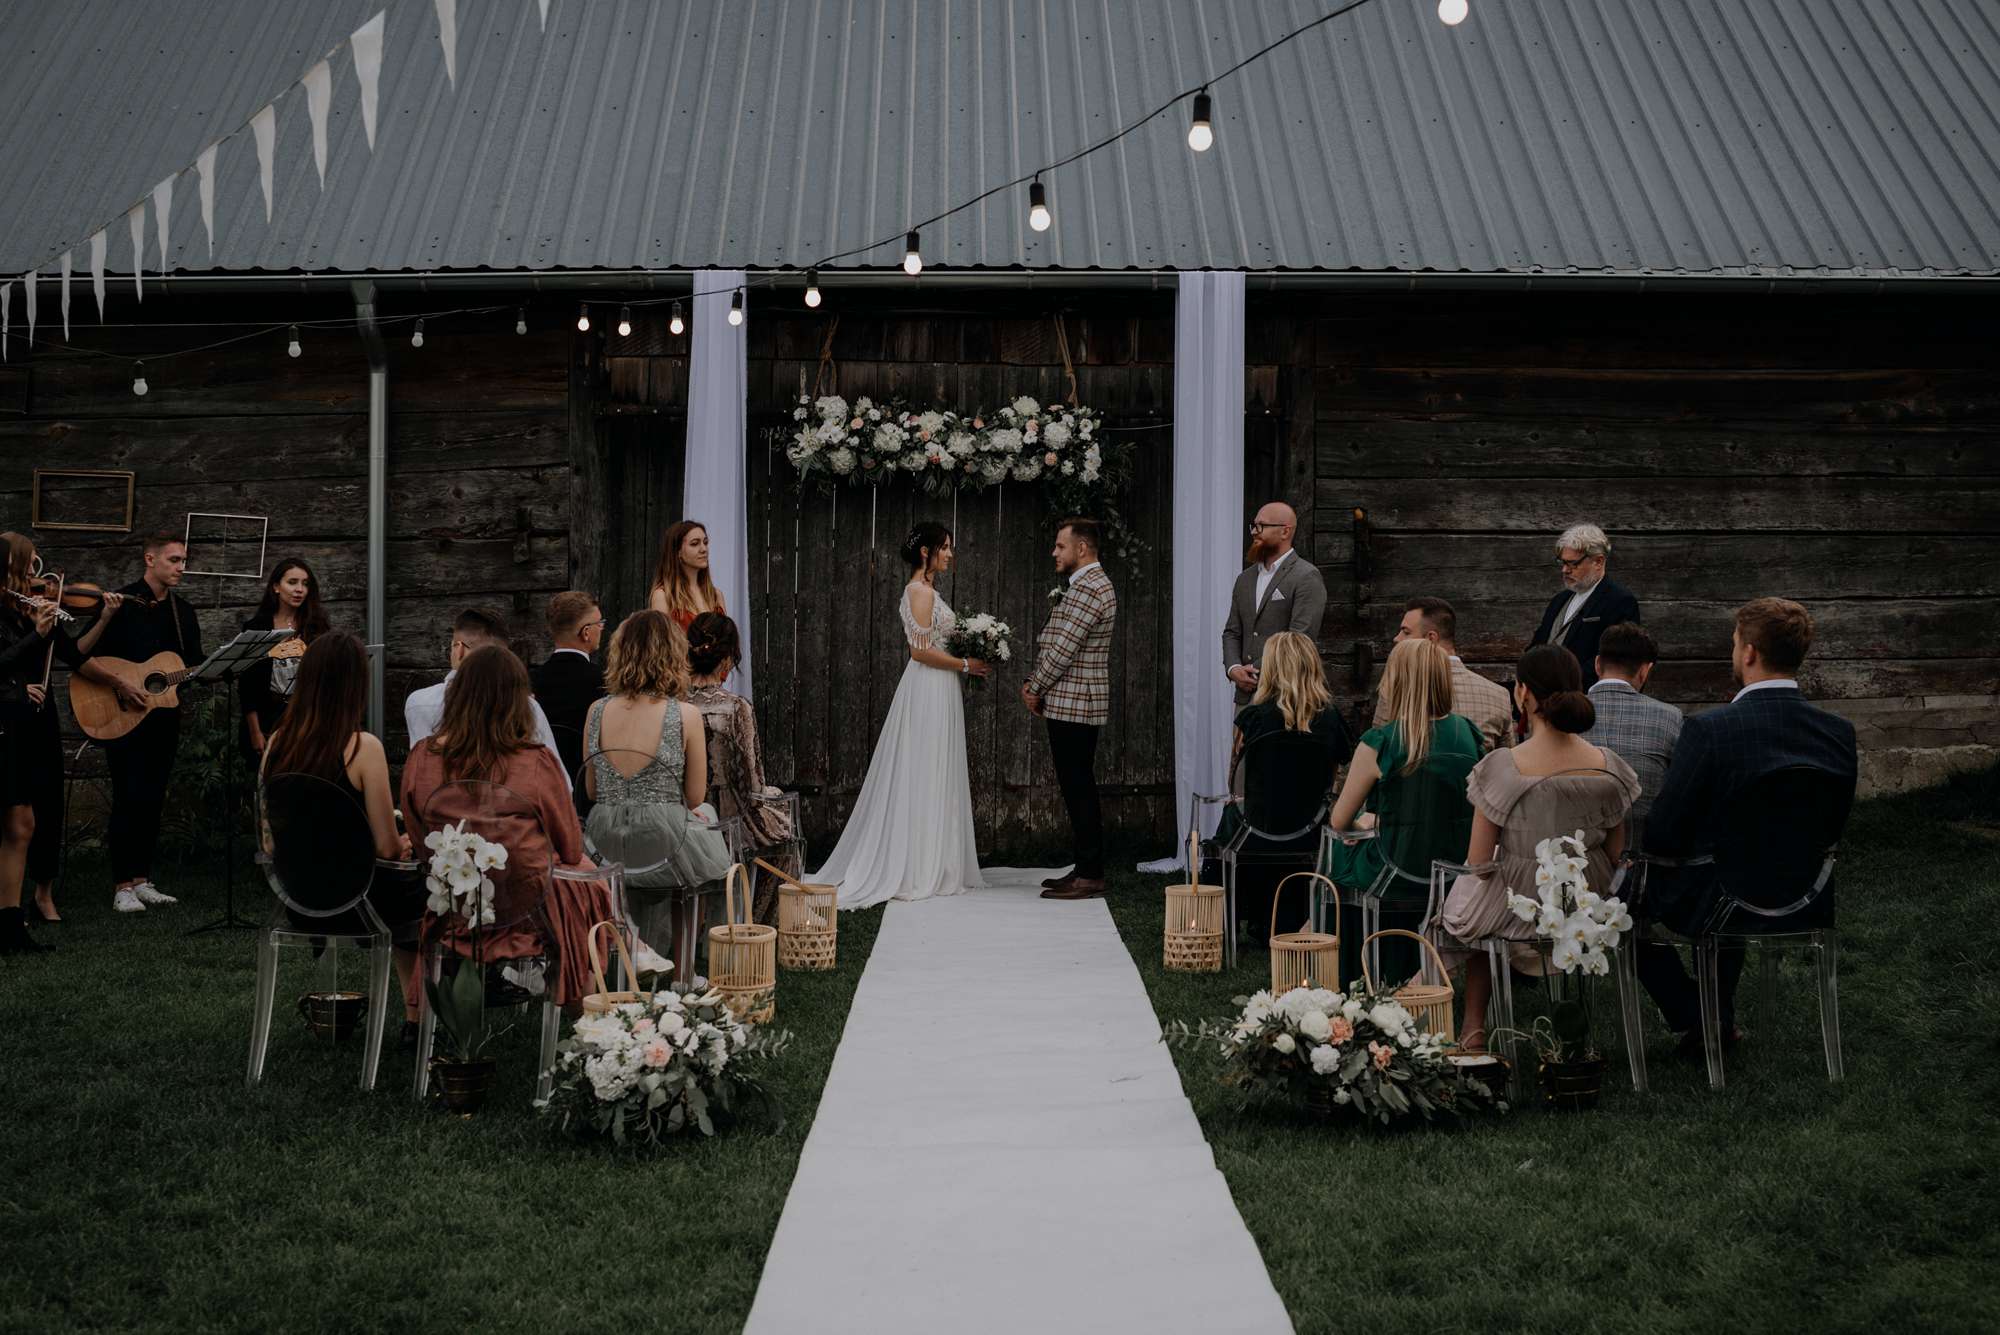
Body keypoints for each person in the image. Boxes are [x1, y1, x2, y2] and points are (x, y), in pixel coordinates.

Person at [1634, 598, 1857, 1053]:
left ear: (1750, 652)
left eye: (1735, 643)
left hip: (1718, 898)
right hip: (1805, 895)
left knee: (1622, 904)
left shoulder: (1711, 730)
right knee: (1729, 869)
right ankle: (1714, 1019)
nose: (1733, 652)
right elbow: (1833, 820)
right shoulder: (1838, 731)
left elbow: (1665, 830)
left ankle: (1700, 1014)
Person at [1434, 644, 1639, 1052]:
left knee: (1475, 897)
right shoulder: (1609, 764)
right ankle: (1574, 1027)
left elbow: (1479, 861)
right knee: (1487, 893)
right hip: (1586, 903)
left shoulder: (1503, 766)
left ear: (1523, 692)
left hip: (1520, 903)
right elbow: (1617, 853)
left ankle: (1473, 1028)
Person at [400, 645, 627, 1008]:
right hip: (531, 911)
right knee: (582, 879)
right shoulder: (534, 761)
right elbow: (570, 846)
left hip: (456, 904)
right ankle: (587, 1002)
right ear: (517, 701)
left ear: (456, 697)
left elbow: (421, 840)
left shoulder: (422, 758)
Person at [811, 522, 990, 909]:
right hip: (929, 686)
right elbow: (920, 652)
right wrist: (965, 664)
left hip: (940, 686)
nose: (950, 554)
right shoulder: (919, 591)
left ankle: (936, 858)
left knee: (936, 765)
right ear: (926, 552)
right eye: (944, 547)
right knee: (924, 767)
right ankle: (918, 863)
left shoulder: (927, 590)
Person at [258, 631, 424, 1039]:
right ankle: (416, 1019)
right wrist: (403, 843)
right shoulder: (363, 748)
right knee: (420, 892)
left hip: (297, 899)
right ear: (354, 686)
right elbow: (387, 848)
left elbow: (268, 841)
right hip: (359, 902)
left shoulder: (276, 744)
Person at [1323, 638, 1482, 984]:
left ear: (1396, 681)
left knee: (1339, 856)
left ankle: (1351, 973)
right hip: (1452, 874)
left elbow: (1339, 820)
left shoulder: (1381, 741)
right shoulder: (1470, 735)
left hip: (1393, 870)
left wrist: (1369, 820)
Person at [581, 610, 731, 960]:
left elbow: (591, 791)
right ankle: (683, 970)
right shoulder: (685, 714)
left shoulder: (596, 711)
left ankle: (627, 951)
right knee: (703, 822)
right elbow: (694, 796)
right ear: (673, 655)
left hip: (606, 843)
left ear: (621, 653)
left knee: (661, 837)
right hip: (665, 846)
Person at [0, 534, 125, 951]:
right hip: (8, 722)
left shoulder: (27, 608)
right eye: (31, 565)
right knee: (15, 822)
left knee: (32, 817)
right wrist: (34, 641)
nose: (39, 576)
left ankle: (23, 912)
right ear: (13, 565)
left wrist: (96, 620)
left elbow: (72, 655)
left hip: (33, 719)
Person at [75, 531, 203, 914]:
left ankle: (143, 880)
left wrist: (207, 672)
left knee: (152, 798)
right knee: (128, 797)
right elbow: (79, 653)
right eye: (174, 560)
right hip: (122, 715)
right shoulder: (120, 602)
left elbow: (193, 666)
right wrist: (120, 682)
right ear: (150, 559)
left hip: (163, 717)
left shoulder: (183, 612)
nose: (181, 567)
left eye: (183, 560)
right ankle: (122, 886)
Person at [1028, 518, 1119, 901]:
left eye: (1060, 546)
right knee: (1075, 784)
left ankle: (1091, 874)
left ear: (1082, 548)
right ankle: (1084, 867)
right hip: (1072, 700)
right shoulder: (1084, 585)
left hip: (1075, 701)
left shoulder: (1090, 588)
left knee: (1079, 786)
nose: (1054, 552)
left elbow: (1063, 649)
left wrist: (1035, 687)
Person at [687, 611, 791, 923]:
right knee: (784, 829)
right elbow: (754, 785)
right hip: (730, 822)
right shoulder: (736, 707)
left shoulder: (671, 705)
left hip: (685, 817)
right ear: (728, 658)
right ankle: (756, 923)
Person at [403, 607, 562, 764]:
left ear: (459, 649)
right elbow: (555, 772)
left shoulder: (419, 703)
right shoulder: (526, 705)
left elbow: (420, 767)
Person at [1582, 622, 1683, 850]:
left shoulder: (1566, 714)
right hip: (1643, 854)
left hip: (1575, 855)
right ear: (1645, 670)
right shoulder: (1670, 716)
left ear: (1597, 664)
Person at [1371, 596, 1512, 753]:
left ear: (1431, 638)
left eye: (1406, 632)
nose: (1397, 638)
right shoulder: (1499, 695)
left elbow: (1376, 752)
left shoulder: (1395, 689)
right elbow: (1507, 762)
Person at [1221, 501, 1327, 707]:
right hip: (1245, 698)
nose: (1254, 531)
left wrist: (1253, 671)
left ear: (1285, 531)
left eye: (1261, 526)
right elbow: (1232, 632)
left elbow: (1300, 639)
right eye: (1254, 526)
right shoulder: (1245, 579)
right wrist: (1233, 668)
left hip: (1285, 698)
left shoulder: (1307, 576)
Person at [239, 557, 331, 760]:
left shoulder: (317, 627)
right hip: (268, 718)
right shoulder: (257, 627)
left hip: (308, 718)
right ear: (276, 587)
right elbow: (247, 686)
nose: (300, 589)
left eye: (305, 584)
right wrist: (255, 731)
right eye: (292, 582)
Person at [1530, 523, 1639, 689]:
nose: (1565, 570)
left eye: (1573, 563)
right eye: (1562, 562)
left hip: (1584, 697)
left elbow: (1612, 660)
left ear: (1598, 561)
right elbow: (1538, 644)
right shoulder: (1559, 600)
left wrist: (1567, 688)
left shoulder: (1620, 601)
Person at [531, 590, 606, 777]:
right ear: (586, 632)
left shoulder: (531, 680)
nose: (602, 628)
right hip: (587, 780)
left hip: (542, 776)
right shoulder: (603, 681)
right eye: (599, 623)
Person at [650, 520, 725, 632]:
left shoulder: (716, 595)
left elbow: (728, 640)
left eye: (705, 542)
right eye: (694, 544)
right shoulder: (663, 596)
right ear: (678, 552)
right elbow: (661, 641)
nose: (704, 549)